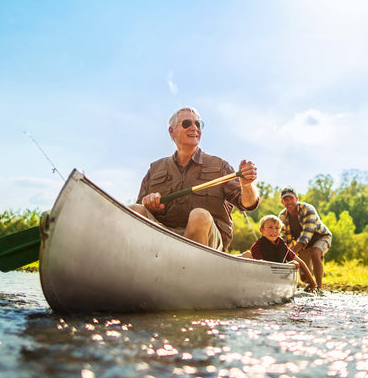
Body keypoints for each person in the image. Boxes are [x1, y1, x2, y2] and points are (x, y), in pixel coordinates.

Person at [132, 107, 259, 251]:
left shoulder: (219, 166)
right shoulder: (155, 169)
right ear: (171, 131)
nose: (194, 128)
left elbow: (248, 204)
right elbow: (138, 211)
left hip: (209, 242)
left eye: (198, 124)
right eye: (187, 123)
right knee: (134, 210)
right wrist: (148, 204)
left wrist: (247, 185)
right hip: (164, 235)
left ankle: (194, 271)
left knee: (199, 216)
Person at [241, 215, 317, 290]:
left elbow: (300, 262)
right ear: (262, 230)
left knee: (295, 263)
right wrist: (287, 265)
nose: (274, 231)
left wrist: (312, 283)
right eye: (270, 227)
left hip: (280, 278)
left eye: (277, 228)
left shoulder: (282, 245)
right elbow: (262, 266)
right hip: (264, 278)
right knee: (247, 254)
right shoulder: (257, 246)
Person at [278, 187, 332, 292]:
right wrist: (282, 257)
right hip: (303, 245)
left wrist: (290, 254)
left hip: (321, 237)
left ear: (296, 199)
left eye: (291, 199)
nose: (289, 202)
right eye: (286, 200)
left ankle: (319, 288)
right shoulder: (283, 216)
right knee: (304, 275)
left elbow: (306, 235)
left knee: (315, 252)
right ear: (282, 202)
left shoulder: (308, 209)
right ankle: (311, 286)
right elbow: (285, 240)